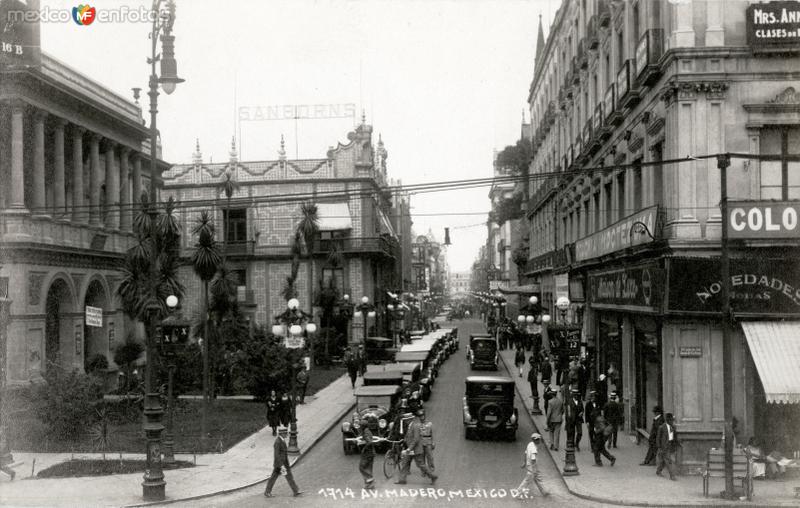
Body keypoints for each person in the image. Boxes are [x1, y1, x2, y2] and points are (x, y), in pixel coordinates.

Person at [396, 409, 437, 485]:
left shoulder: (415, 426)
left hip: (416, 450)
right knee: (405, 463)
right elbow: (409, 437)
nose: (405, 421)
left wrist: (409, 449)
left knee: (421, 465)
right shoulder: (410, 426)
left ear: (410, 419)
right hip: (411, 449)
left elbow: (416, 439)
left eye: (406, 420)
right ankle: (402, 480)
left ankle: (432, 476)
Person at [264, 427, 303, 498]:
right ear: (282, 434)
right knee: (273, 478)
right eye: (285, 433)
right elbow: (276, 455)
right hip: (279, 465)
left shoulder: (282, 440)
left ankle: (296, 491)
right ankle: (267, 492)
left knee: (289, 477)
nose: (287, 434)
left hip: (284, 463)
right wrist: (281, 465)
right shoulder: (277, 442)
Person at [516, 433, 549, 498]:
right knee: (527, 480)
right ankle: (518, 493)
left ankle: (544, 491)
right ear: (536, 440)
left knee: (538, 478)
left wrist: (524, 462)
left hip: (530, 465)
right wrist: (534, 469)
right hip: (532, 467)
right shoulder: (533, 448)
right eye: (539, 439)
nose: (540, 441)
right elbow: (533, 459)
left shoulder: (530, 444)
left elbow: (525, 453)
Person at [655, 413, 679, 481]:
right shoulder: (662, 427)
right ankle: (672, 476)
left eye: (673, 420)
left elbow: (675, 437)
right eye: (671, 420)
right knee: (668, 461)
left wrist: (677, 443)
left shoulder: (673, 427)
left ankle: (658, 471)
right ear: (667, 420)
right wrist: (659, 447)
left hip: (670, 445)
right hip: (664, 446)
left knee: (663, 461)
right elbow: (658, 438)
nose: (672, 422)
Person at [357, 415, 379, 489]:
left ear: (363, 426)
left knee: (361, 467)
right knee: (368, 468)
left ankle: (370, 479)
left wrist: (363, 445)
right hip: (371, 453)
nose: (359, 427)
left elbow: (369, 442)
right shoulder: (367, 431)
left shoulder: (366, 432)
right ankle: (368, 484)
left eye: (360, 425)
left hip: (368, 453)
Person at [568, 387, 584, 451]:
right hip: (572, 419)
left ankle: (577, 443)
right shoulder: (570, 401)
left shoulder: (580, 401)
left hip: (579, 419)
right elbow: (568, 410)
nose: (576, 396)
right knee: (572, 432)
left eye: (577, 395)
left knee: (580, 432)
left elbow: (582, 409)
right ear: (573, 395)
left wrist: (582, 412)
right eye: (575, 395)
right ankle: (572, 444)